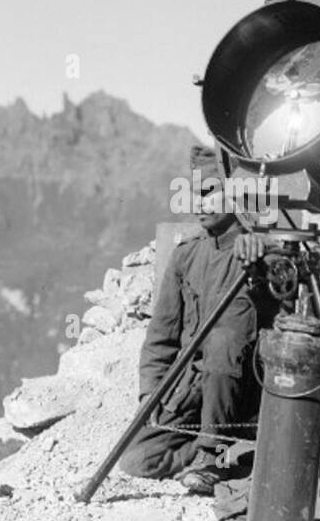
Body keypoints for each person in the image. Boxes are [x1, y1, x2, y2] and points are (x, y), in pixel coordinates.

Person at [118, 146, 277, 494]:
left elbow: (286, 301)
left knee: (222, 340)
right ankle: (226, 452)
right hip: (194, 392)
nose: (197, 204)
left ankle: (212, 454)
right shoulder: (186, 256)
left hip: (244, 393)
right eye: (194, 194)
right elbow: (162, 336)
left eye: (208, 193)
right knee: (137, 458)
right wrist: (151, 394)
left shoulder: (263, 251)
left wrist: (262, 249)